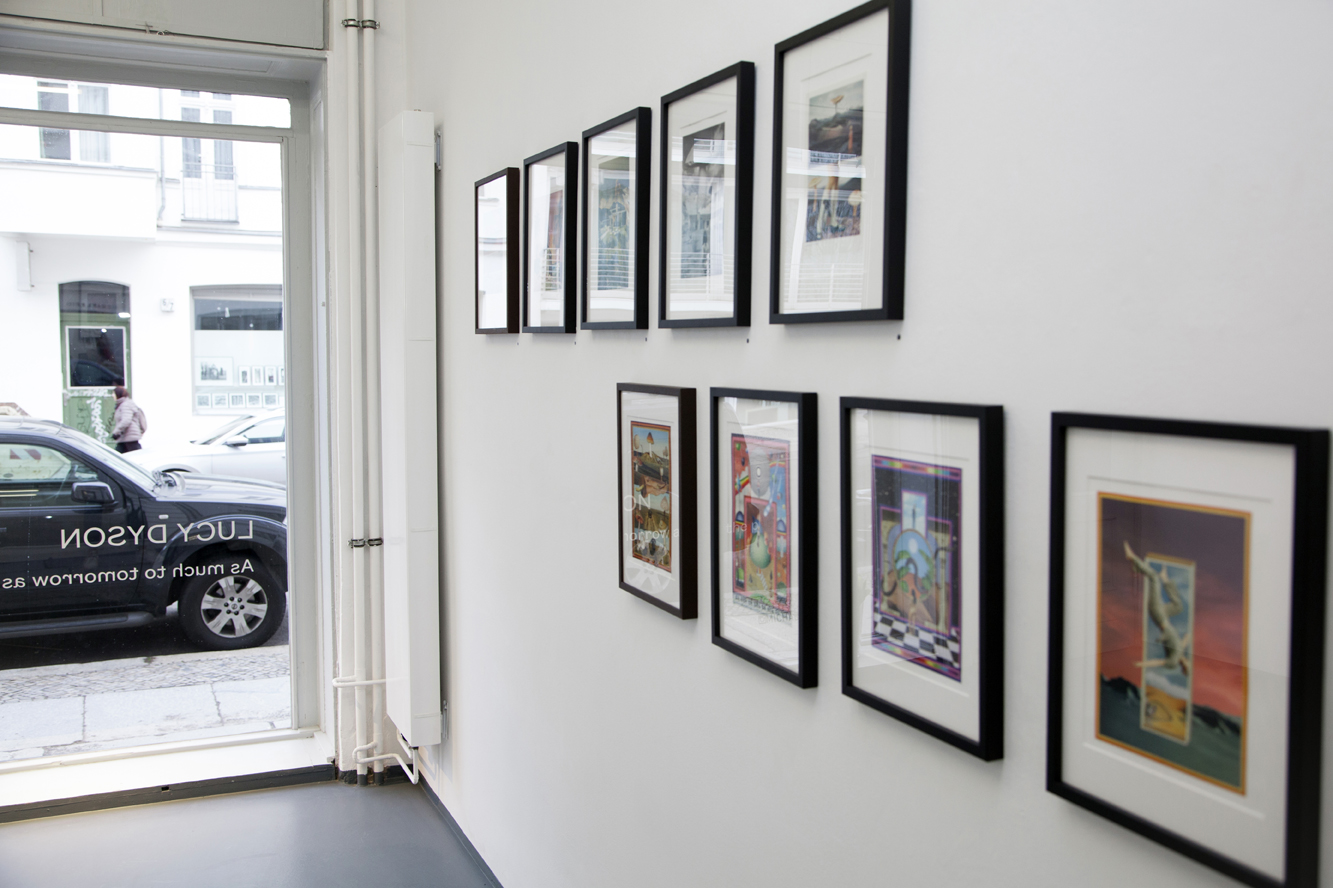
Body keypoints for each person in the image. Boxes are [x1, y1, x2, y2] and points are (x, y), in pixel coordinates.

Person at [110, 385, 148, 453]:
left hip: (130, 437)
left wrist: (116, 432)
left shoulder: (125, 405)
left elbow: (126, 420)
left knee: (136, 456)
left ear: (118, 394)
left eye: (113, 393)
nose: (112, 395)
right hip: (125, 438)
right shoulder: (123, 404)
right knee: (118, 456)